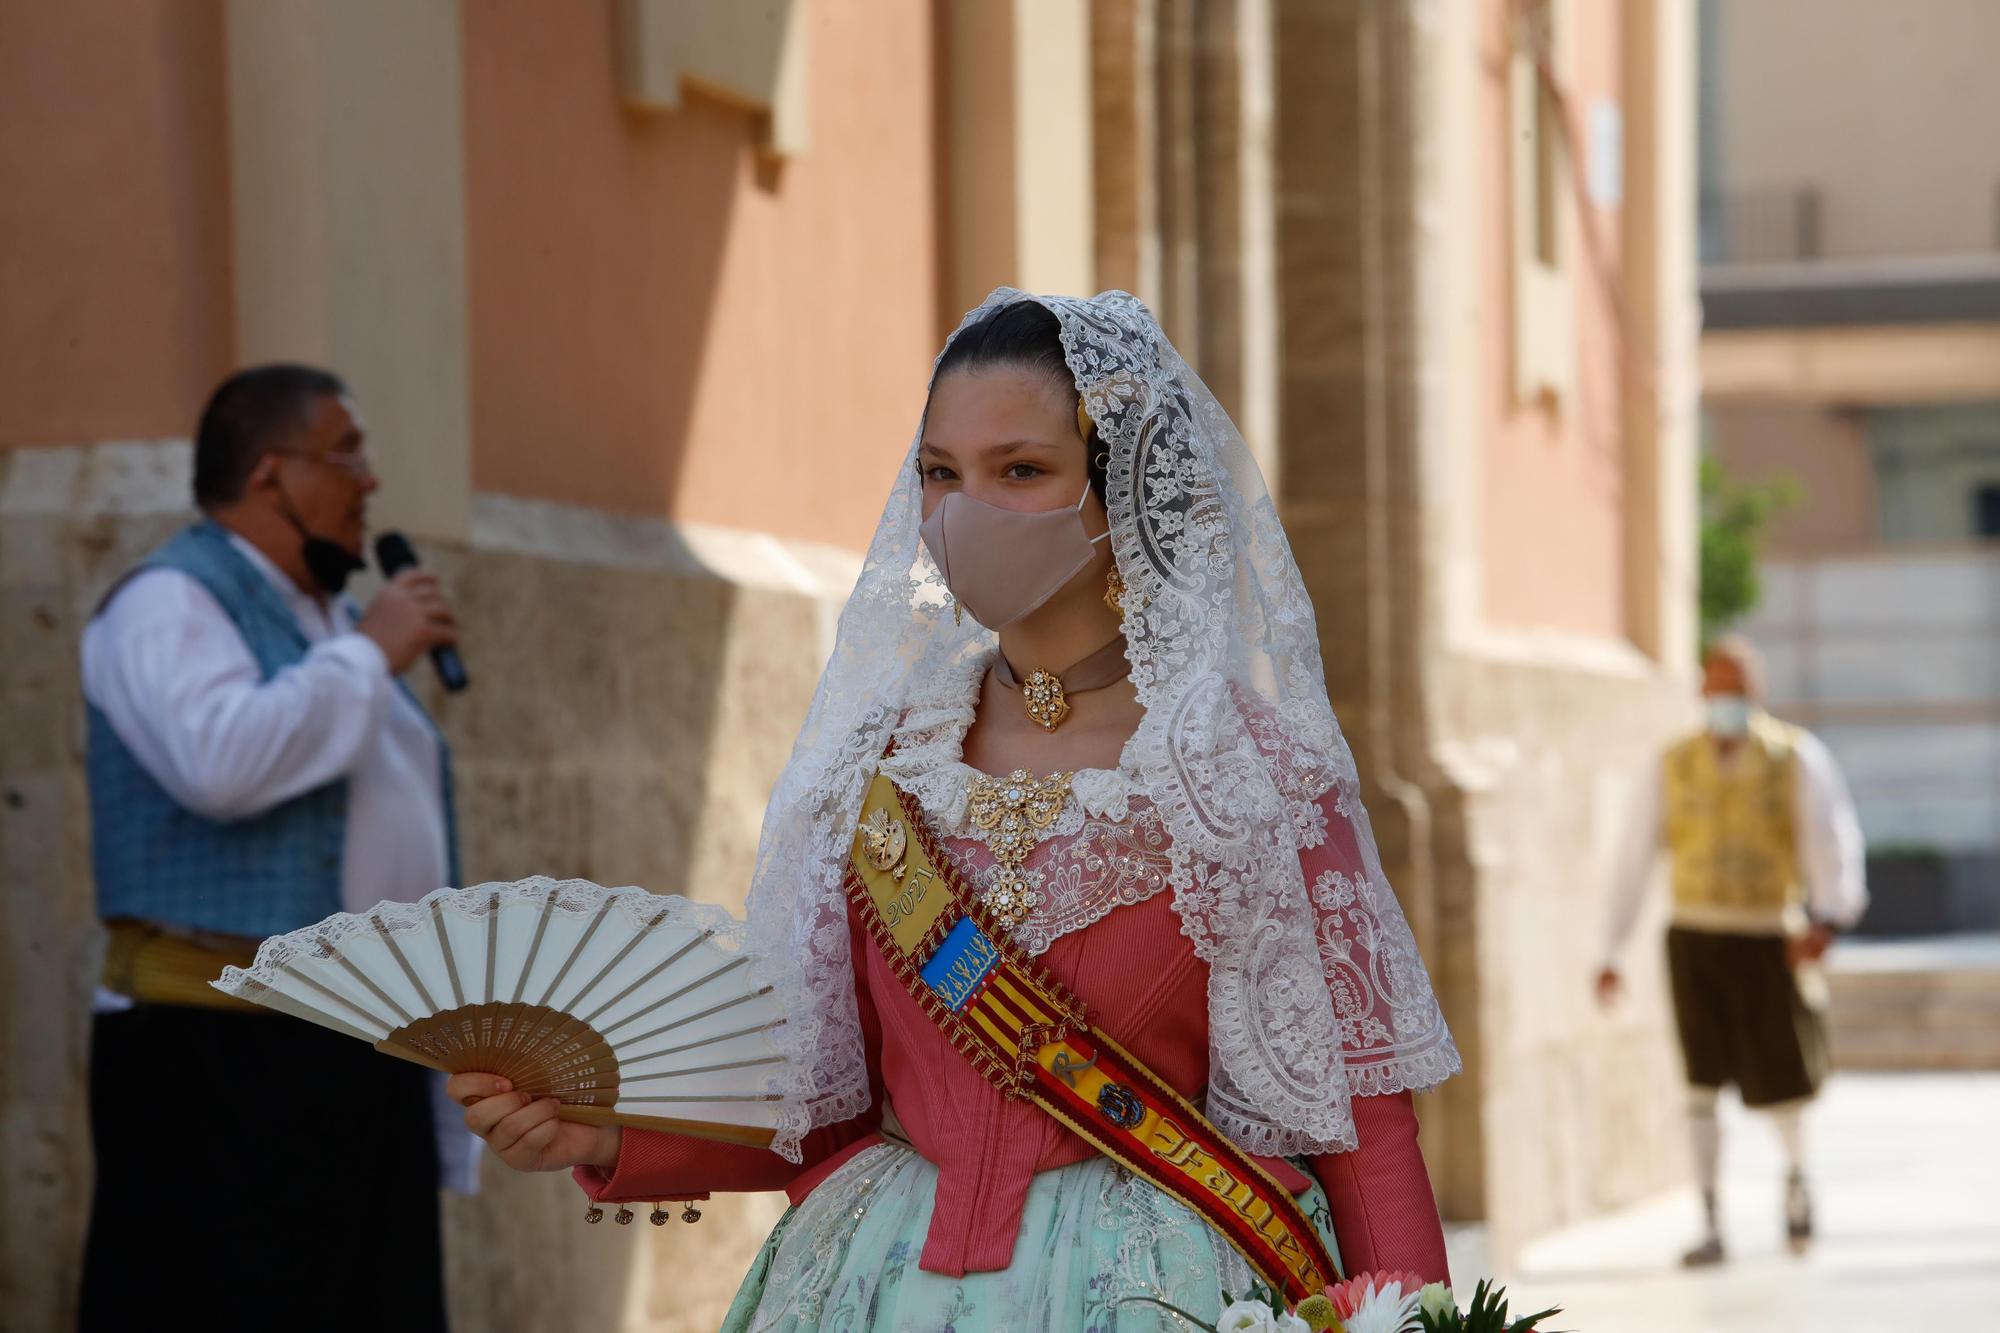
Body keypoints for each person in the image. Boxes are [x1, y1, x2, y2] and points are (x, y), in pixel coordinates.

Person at [454, 292, 1461, 1328]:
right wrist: (608, 1137)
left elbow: (1362, 1126)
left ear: (1122, 494)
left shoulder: (1252, 777)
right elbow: (822, 1101)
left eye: (1018, 471)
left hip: (1160, 1296)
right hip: (874, 1285)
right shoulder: (873, 764)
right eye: (940, 473)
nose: (960, 510)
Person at [78, 365, 466, 1329]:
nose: (370, 481)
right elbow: (218, 761)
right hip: (220, 1057)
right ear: (267, 473)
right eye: (346, 452)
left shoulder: (324, 615)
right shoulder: (171, 600)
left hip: (354, 1052)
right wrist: (371, 652)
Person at [1597, 635, 1867, 1266]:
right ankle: (1711, 1216)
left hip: (1768, 938)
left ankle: (1797, 1183)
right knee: (1700, 1081)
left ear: (1757, 693)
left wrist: (1827, 919)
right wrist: (1611, 948)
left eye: (1738, 691)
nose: (1727, 702)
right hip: (1693, 937)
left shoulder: (1795, 757)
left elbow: (1833, 842)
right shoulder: (1671, 764)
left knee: (1783, 1078)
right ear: (1702, 691)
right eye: (1718, 690)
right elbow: (1632, 859)